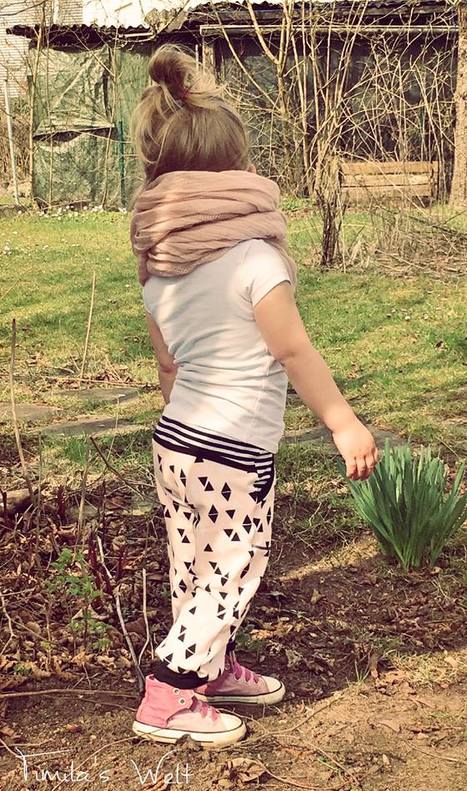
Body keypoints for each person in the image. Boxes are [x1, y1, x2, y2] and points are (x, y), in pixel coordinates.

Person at [130, 45, 378, 749]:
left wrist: (187, 418)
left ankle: (207, 666)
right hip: (232, 446)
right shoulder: (256, 259)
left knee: (195, 564)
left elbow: (168, 365)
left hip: (177, 440)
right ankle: (169, 694)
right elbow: (292, 350)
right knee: (233, 567)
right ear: (238, 169)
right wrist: (342, 422)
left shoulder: (159, 267)